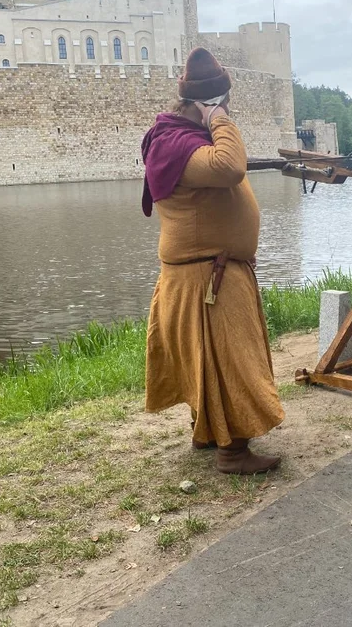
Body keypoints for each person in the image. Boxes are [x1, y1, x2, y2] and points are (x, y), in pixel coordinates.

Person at [140, 47, 284, 474]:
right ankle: (233, 451)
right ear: (203, 103)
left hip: (207, 274)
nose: (228, 112)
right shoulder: (176, 144)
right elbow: (229, 168)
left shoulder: (181, 141)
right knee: (230, 364)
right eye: (223, 103)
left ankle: (208, 433)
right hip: (206, 280)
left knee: (211, 363)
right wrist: (220, 118)